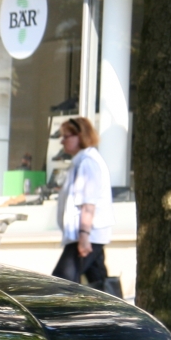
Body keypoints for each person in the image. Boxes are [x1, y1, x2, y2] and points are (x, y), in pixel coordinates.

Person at [52, 116, 113, 287]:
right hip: (88, 234)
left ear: (80, 136)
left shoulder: (87, 163)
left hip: (87, 234)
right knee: (98, 283)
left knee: (61, 283)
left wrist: (83, 236)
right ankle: (109, 311)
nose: (62, 141)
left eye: (66, 136)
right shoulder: (83, 161)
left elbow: (88, 204)